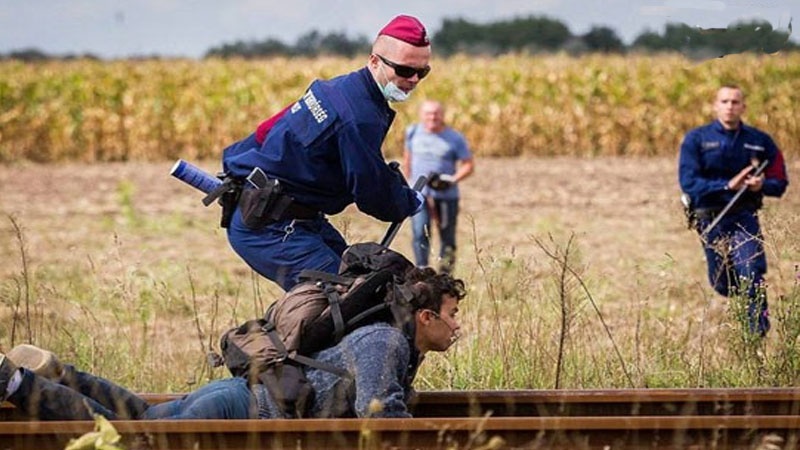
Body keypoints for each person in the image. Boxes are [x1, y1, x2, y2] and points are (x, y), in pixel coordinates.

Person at [0, 268, 466, 420]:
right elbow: (379, 415)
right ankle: (15, 382)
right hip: (240, 411)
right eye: (452, 314)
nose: (457, 325)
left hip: (236, 395)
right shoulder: (386, 342)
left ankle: (61, 376)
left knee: (142, 417)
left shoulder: (387, 338)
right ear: (425, 316)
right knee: (127, 443)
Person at [220, 15, 433, 291]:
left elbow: (266, 131)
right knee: (345, 300)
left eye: (422, 72)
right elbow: (371, 191)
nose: (414, 80)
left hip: (295, 216)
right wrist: (405, 202)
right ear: (374, 61)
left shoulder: (338, 89)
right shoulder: (359, 115)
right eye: (405, 70)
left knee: (357, 279)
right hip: (268, 227)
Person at [678, 85, 789, 336]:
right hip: (711, 218)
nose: (730, 106)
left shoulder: (760, 142)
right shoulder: (696, 140)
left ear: (743, 107)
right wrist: (728, 185)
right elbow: (689, 183)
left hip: (744, 217)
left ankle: (756, 335)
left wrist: (762, 185)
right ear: (715, 105)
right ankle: (742, 306)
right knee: (722, 283)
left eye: (735, 102)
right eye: (725, 101)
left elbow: (779, 181)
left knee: (751, 273)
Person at [403, 100, 474, 273]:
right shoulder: (412, 132)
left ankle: (445, 275)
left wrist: (452, 180)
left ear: (442, 115)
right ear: (421, 115)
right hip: (419, 195)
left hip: (446, 195)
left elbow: (468, 165)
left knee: (447, 236)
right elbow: (407, 160)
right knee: (420, 233)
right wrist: (407, 184)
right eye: (428, 113)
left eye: (436, 113)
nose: (432, 117)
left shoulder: (454, 138)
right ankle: (421, 271)